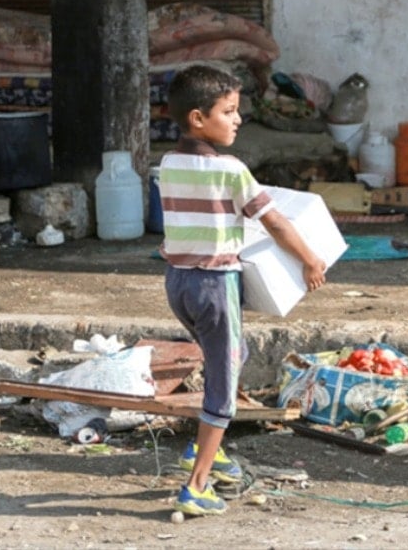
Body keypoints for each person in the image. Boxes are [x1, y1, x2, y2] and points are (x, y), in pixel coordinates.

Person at [159, 63, 328, 515]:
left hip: (178, 283)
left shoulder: (169, 163)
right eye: (229, 111)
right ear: (198, 118)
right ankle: (196, 484)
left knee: (232, 358)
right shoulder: (232, 171)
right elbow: (274, 221)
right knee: (223, 384)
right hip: (215, 286)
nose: (237, 120)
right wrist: (310, 259)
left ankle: (203, 450)